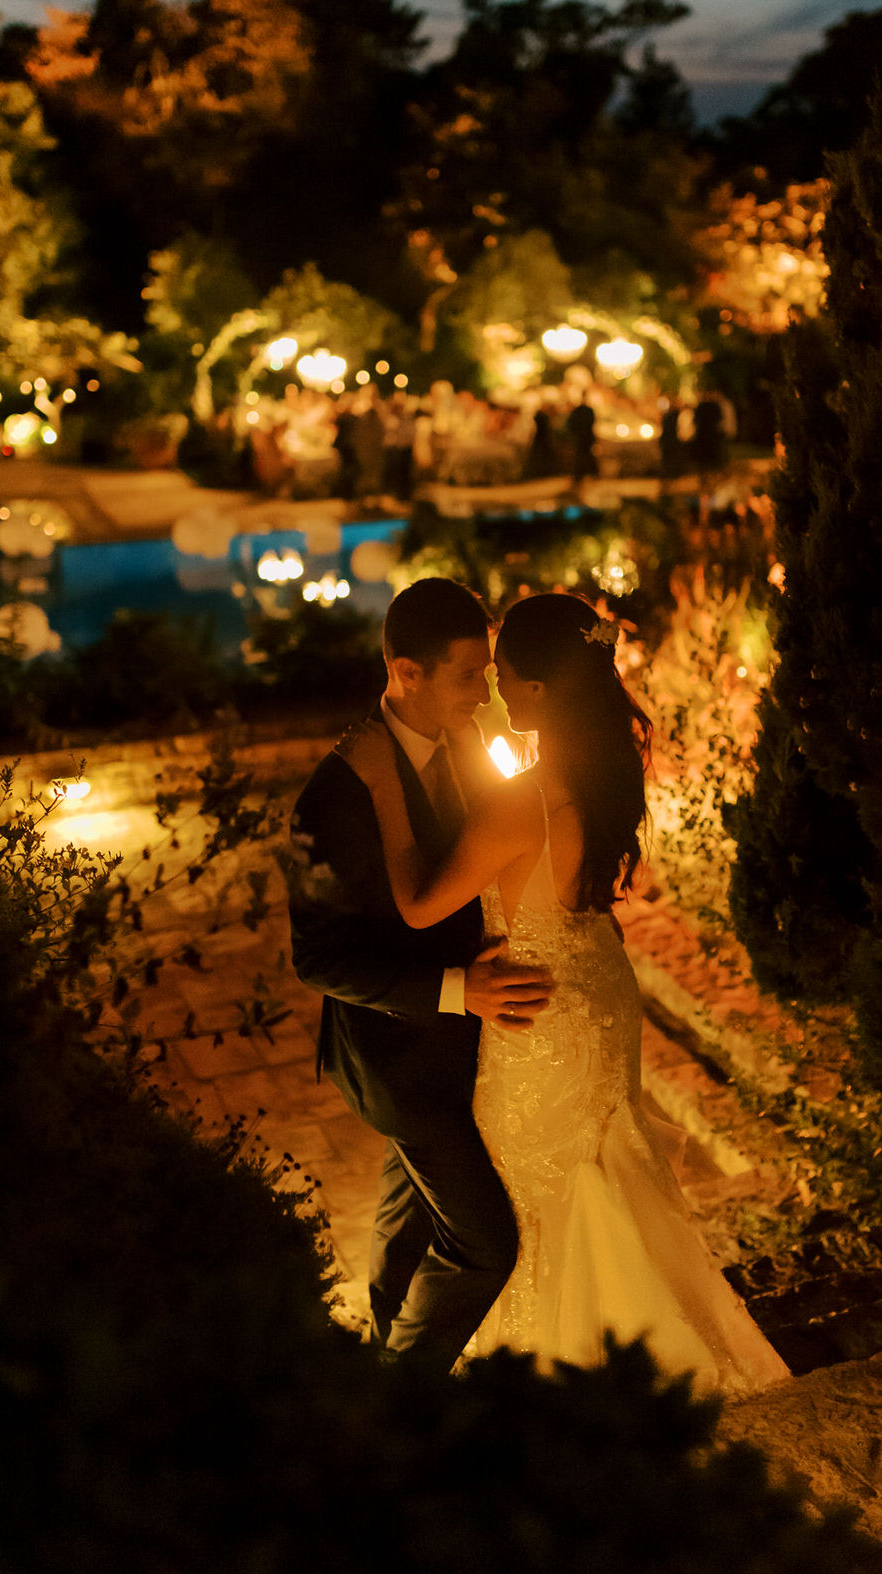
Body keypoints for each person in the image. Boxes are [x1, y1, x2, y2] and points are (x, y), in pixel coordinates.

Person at [340, 591, 790, 1394]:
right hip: (598, 988)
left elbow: (418, 904)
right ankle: (644, 1347)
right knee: (600, 1173)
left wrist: (380, 790)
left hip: (539, 1011)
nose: (491, 690)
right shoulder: (602, 766)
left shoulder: (525, 800)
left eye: (502, 675)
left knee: (538, 1199)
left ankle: (562, 1376)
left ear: (539, 691)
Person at [287, 578, 553, 1375]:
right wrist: (455, 990)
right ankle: (398, 1408)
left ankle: (378, 1352)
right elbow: (320, 959)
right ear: (407, 672)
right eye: (470, 676)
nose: (486, 695)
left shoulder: (467, 745)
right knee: (481, 1243)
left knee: (410, 1219)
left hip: (461, 1050)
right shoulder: (332, 799)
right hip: (397, 1060)